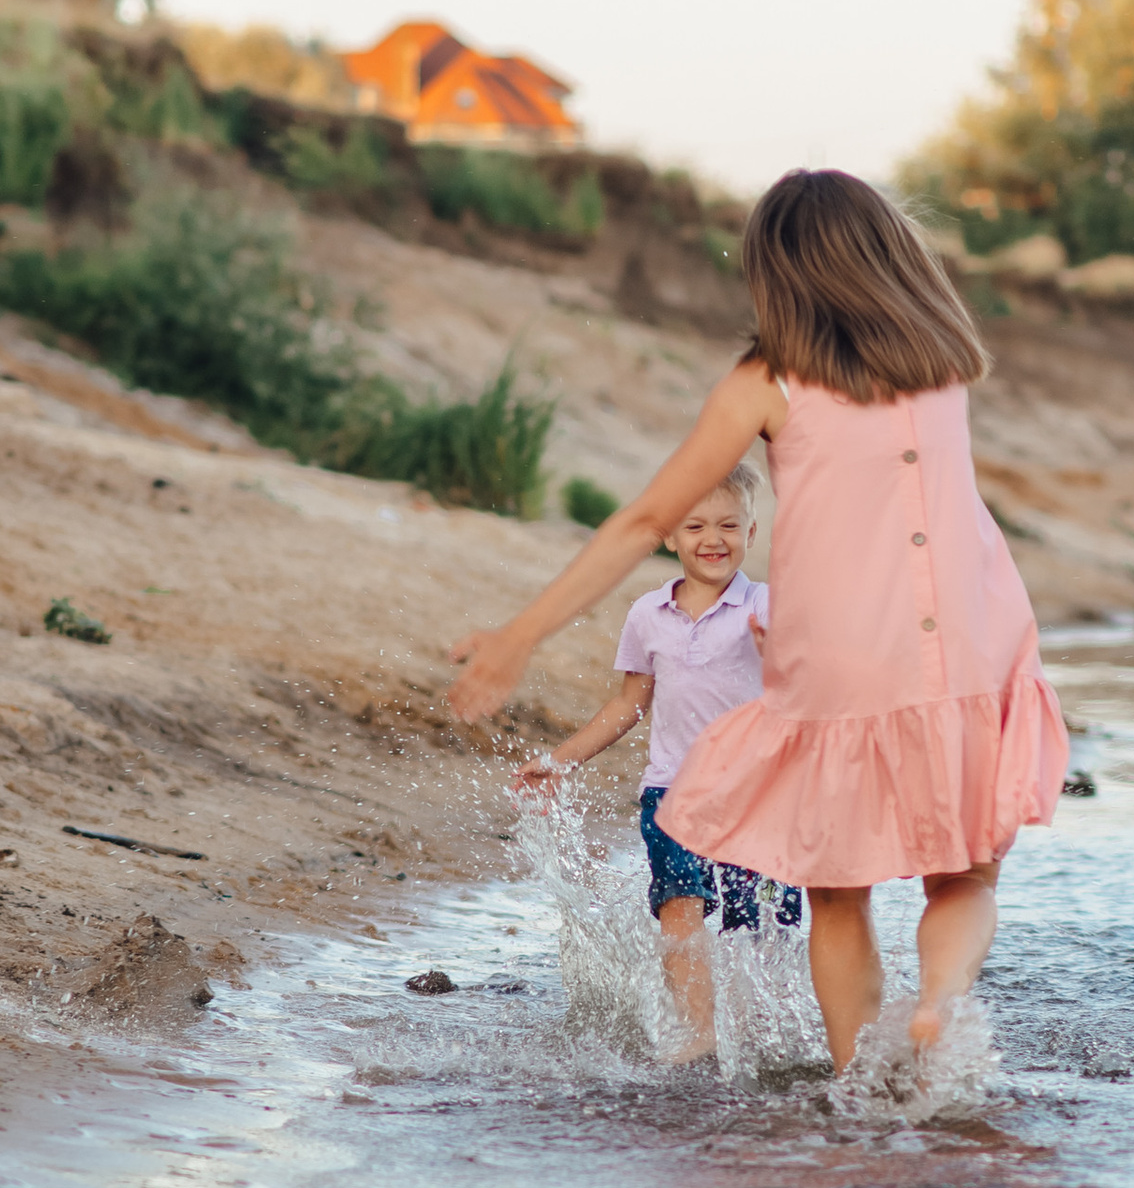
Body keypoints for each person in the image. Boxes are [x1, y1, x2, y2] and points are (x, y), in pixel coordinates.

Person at [452, 167, 1067, 1070]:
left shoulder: (769, 380)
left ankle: (859, 1082)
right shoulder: (942, 359)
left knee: (840, 894)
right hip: (971, 647)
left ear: (775, 273)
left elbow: (645, 522)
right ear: (891, 253)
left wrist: (520, 636)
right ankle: (937, 1003)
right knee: (965, 874)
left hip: (842, 660)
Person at [512, 464, 801, 1057]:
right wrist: (561, 760)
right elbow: (627, 704)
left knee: (760, 924)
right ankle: (699, 1035)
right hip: (674, 790)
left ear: (752, 532)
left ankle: (762, 1039)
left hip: (761, 795)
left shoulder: (768, 606)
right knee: (679, 903)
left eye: (728, 525)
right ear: (670, 535)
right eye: (695, 526)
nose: (712, 538)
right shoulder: (648, 614)